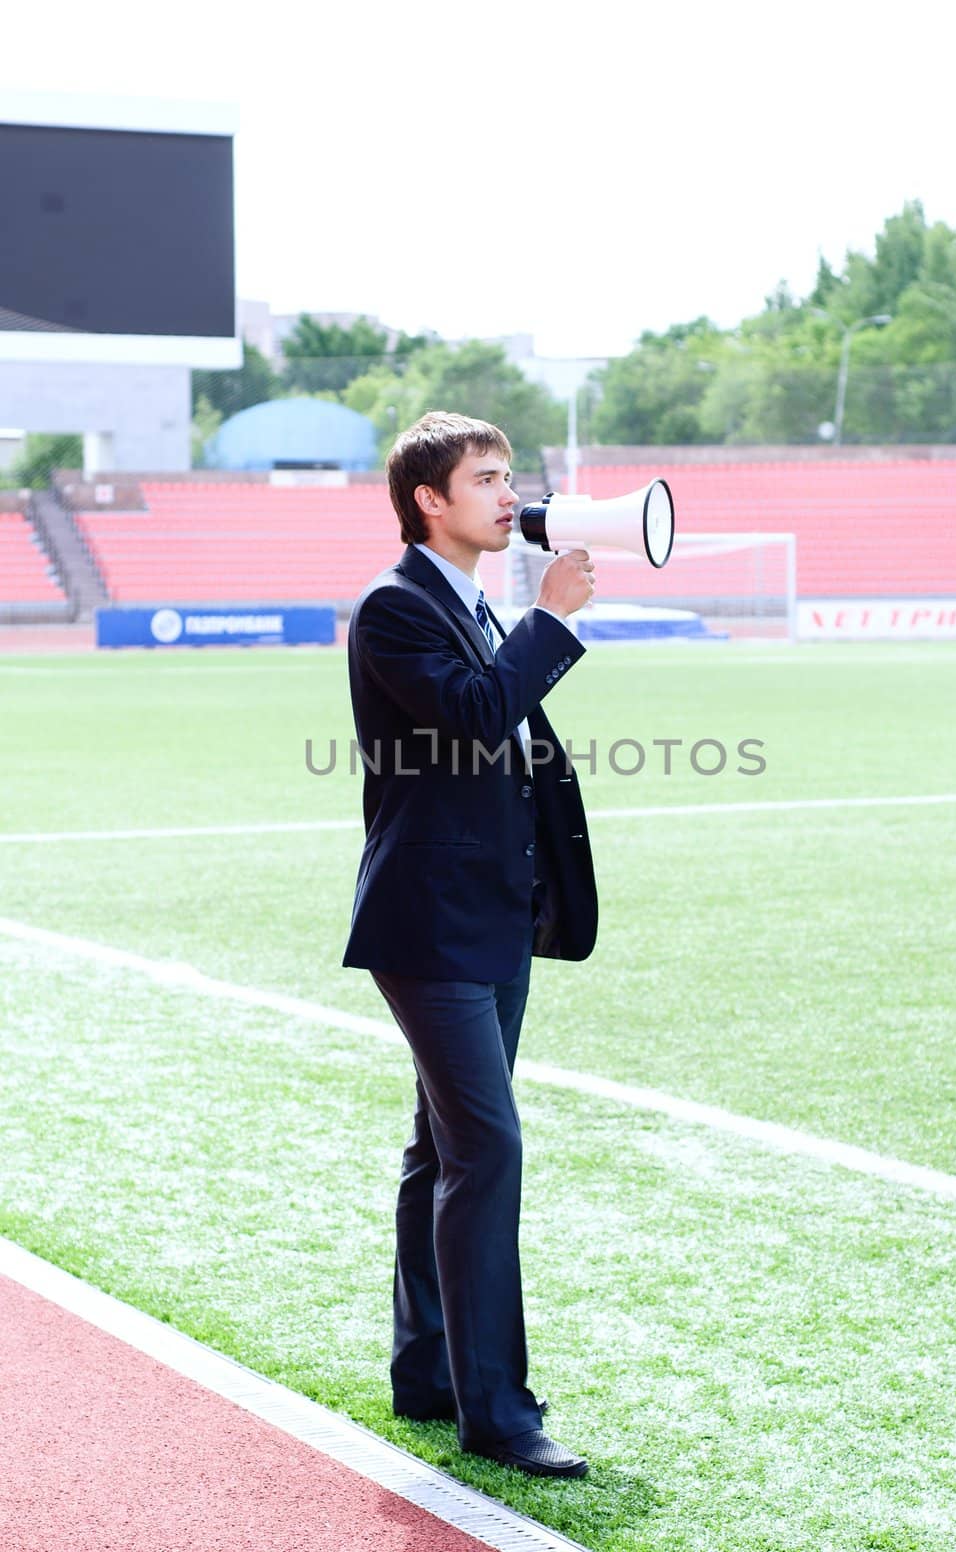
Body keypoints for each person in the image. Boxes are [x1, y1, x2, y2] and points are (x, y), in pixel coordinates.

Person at [342, 410, 598, 1479]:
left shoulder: (477, 604)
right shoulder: (395, 608)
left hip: (490, 918)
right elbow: (476, 719)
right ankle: (495, 1409)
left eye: (509, 477)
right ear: (427, 502)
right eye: (484, 479)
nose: (509, 495)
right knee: (486, 1149)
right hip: (429, 922)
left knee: (439, 1150)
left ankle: (428, 1371)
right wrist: (551, 622)